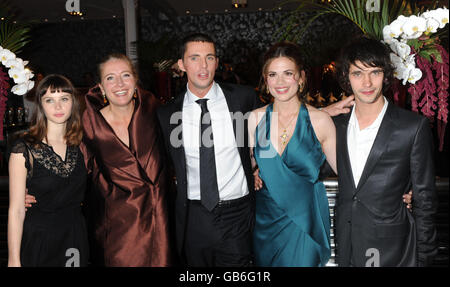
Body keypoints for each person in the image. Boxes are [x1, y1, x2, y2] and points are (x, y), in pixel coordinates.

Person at [25, 54, 174, 266]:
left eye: (125, 75)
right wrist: (29, 189)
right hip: (117, 230)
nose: (119, 84)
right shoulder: (89, 125)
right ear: (101, 87)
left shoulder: (156, 112)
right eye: (110, 78)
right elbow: (67, 168)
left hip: (161, 223)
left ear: (135, 80)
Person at [332, 36, 438, 266]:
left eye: (375, 72)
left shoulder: (412, 127)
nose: (367, 83)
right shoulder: (336, 126)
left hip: (394, 251)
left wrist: (424, 259)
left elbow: (426, 200)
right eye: (357, 73)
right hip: (348, 246)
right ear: (346, 78)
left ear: (386, 75)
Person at [156, 33, 260, 267]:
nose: (203, 66)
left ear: (216, 61)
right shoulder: (166, 114)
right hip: (194, 217)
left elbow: (272, 133)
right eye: (194, 58)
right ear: (181, 65)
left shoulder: (243, 98)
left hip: (237, 214)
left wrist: (258, 169)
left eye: (209, 57)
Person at [248, 42, 337, 267]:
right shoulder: (254, 119)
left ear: (301, 78)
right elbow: (246, 167)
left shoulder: (320, 121)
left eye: (288, 74)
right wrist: (254, 173)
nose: (280, 82)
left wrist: (397, 189)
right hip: (265, 225)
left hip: (304, 225)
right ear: (265, 80)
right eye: (273, 74)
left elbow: (350, 174)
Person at [8, 74, 89, 267]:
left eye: (64, 99)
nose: (58, 107)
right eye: (50, 100)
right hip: (39, 241)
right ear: (41, 105)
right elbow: (16, 211)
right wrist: (13, 260)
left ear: (73, 103)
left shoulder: (83, 144)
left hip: (74, 239)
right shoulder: (24, 149)